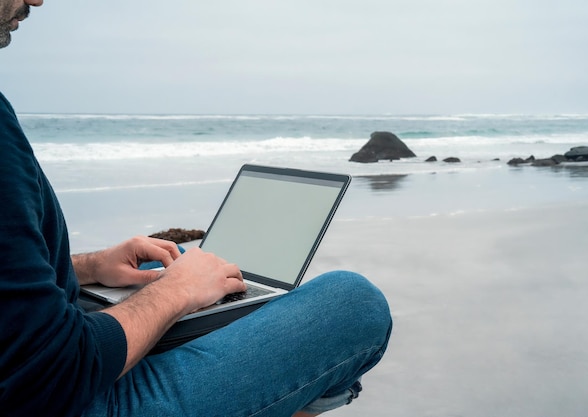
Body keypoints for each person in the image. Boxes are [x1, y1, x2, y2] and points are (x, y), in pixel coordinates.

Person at [0, 1, 392, 416]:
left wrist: (88, 266)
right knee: (352, 303)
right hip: (77, 401)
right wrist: (178, 292)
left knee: (183, 272)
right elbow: (54, 376)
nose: (38, 0)